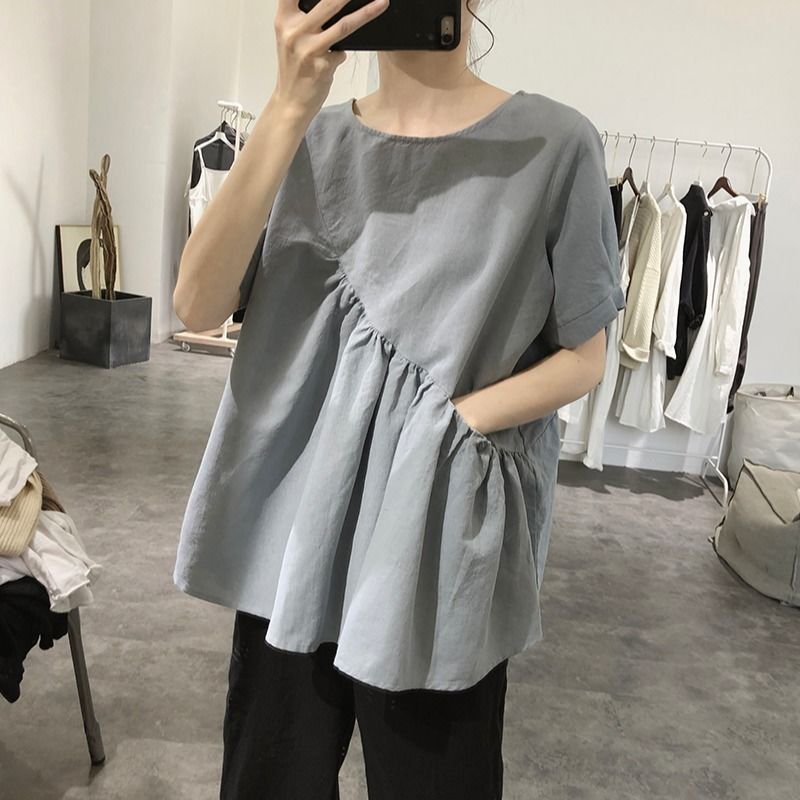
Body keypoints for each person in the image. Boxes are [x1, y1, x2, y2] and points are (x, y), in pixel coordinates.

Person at [172, 0, 626, 798]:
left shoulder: (555, 146)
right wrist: (287, 105)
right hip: (293, 533)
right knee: (270, 779)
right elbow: (197, 305)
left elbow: (585, 358)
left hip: (435, 536)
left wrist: (455, 424)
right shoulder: (299, 137)